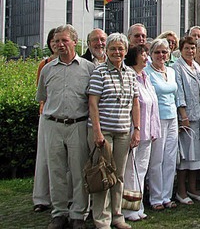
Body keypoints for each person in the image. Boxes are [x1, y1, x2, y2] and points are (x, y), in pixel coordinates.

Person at [36, 25, 94, 229]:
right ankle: (59, 213)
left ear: (74, 42)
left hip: (78, 124)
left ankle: (78, 213)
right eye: (56, 41)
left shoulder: (88, 68)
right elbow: (42, 97)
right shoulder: (47, 69)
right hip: (53, 124)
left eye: (64, 40)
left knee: (79, 171)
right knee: (56, 171)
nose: (60, 44)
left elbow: (94, 100)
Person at [87, 32, 140, 229]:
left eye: (120, 48)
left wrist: (137, 129)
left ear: (126, 51)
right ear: (107, 51)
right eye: (113, 49)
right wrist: (97, 132)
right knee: (103, 174)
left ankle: (117, 215)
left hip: (123, 131)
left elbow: (135, 103)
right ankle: (101, 219)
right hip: (104, 132)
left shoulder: (130, 73)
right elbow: (93, 104)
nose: (117, 52)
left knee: (118, 176)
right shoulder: (99, 72)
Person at [122, 45, 160, 222]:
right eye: (143, 55)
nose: (146, 57)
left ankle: (138, 206)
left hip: (147, 132)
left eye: (146, 54)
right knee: (130, 171)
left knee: (141, 171)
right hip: (134, 131)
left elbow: (153, 105)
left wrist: (154, 129)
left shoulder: (146, 77)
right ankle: (128, 209)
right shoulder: (129, 76)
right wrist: (134, 130)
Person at [174, 36, 200, 204]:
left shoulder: (195, 66)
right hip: (187, 118)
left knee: (196, 156)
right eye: (187, 48)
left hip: (199, 116)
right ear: (181, 50)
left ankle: (193, 189)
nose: (190, 51)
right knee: (185, 157)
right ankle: (181, 191)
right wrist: (183, 116)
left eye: (193, 48)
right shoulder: (177, 67)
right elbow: (179, 92)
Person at [145, 39, 179, 211]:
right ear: (151, 54)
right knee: (156, 159)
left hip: (172, 117)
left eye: (164, 52)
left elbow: (175, 95)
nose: (161, 55)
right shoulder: (146, 72)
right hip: (156, 118)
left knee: (170, 158)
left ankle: (167, 195)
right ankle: (156, 197)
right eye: (157, 52)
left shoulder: (172, 71)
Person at [33, 28, 57, 214]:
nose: (58, 45)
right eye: (54, 41)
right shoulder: (45, 65)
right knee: (44, 158)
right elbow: (41, 93)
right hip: (48, 115)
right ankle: (41, 198)